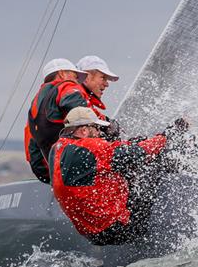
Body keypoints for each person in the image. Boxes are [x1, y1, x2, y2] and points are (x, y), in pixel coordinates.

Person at [49, 107, 185, 246]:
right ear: (84, 130)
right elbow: (141, 152)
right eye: (96, 128)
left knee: (123, 161)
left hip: (91, 234)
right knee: (150, 162)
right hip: (120, 229)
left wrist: (131, 143)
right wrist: (167, 134)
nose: (99, 133)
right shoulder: (91, 146)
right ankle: (195, 167)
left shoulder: (55, 149)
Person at [25, 58, 116, 183]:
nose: (77, 82)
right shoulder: (66, 86)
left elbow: (33, 153)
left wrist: (50, 178)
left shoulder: (34, 106)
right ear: (62, 74)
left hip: (59, 176)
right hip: (81, 171)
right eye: (75, 76)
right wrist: (108, 125)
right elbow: (81, 112)